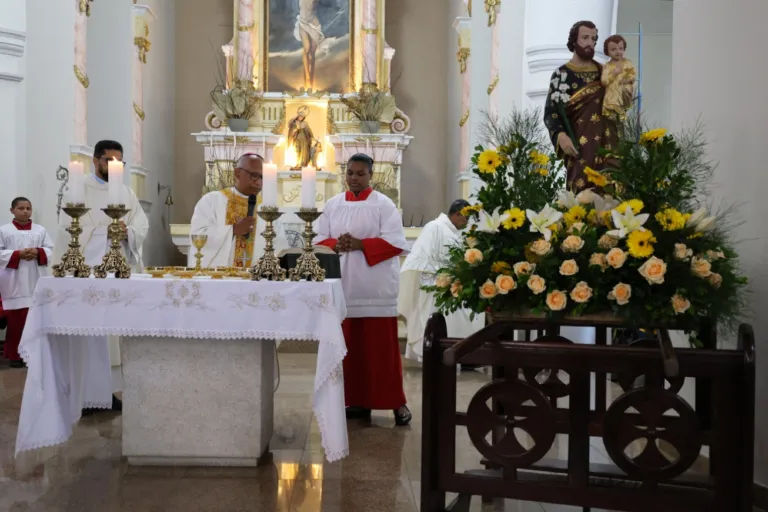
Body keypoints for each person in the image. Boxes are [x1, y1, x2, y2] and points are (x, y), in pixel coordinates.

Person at [314, 153, 412, 426]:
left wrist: (360, 244)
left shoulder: (383, 205)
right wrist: (337, 244)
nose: (354, 178)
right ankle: (356, 400)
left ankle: (396, 402)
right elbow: (318, 239)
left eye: (360, 173)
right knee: (349, 351)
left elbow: (395, 242)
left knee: (381, 352)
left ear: (370, 175)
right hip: (343, 286)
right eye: (350, 173)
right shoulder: (333, 205)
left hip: (375, 287)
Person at [54, 140, 149, 414]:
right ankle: (85, 393)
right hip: (88, 275)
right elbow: (66, 229)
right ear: (95, 161)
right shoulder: (78, 189)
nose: (115, 166)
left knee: (113, 334)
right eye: (109, 160)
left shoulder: (126, 193)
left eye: (120, 161)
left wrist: (128, 231)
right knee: (90, 335)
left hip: (117, 274)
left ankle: (108, 392)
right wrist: (101, 232)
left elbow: (141, 223)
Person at [544, 20, 628, 192]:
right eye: (585, 38)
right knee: (579, 196)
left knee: (609, 193)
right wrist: (561, 136)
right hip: (579, 147)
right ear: (574, 40)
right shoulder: (562, 75)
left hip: (606, 145)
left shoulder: (604, 72)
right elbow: (551, 112)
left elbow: (619, 105)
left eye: (593, 39)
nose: (590, 42)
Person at [399, 200, 485, 363]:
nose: (466, 223)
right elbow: (422, 259)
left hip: (452, 284)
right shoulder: (435, 227)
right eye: (466, 218)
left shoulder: (455, 233)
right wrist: (445, 275)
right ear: (457, 214)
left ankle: (461, 355)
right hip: (434, 286)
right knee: (437, 321)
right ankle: (438, 355)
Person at [189, 153, 289, 268]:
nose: (259, 183)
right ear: (237, 173)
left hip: (256, 277)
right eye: (254, 175)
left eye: (263, 177)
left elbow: (280, 247)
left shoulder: (267, 210)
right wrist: (233, 230)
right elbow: (197, 236)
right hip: (220, 276)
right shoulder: (212, 201)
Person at [0, 198, 53, 368]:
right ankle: (14, 355)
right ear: (12, 210)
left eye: (28, 208)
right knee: (16, 321)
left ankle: (34, 354)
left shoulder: (40, 230)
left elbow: (50, 249)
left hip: (35, 279)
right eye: (21, 208)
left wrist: (37, 252)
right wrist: (17, 255)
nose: (25, 211)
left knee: (34, 319)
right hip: (14, 281)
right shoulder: (4, 230)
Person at [601, 34, 636, 121]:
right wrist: (613, 74)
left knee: (621, 119)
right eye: (613, 49)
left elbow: (632, 75)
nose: (618, 52)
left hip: (624, 94)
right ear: (607, 51)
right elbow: (604, 81)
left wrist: (626, 80)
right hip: (611, 98)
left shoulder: (627, 63)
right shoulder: (607, 66)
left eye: (620, 49)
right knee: (611, 120)